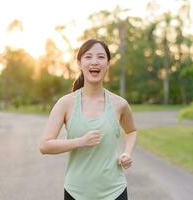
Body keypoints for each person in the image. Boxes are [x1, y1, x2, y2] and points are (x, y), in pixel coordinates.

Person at [39, 39, 137, 200]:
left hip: (115, 192)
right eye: (88, 57)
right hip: (76, 193)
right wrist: (80, 141)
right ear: (79, 63)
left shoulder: (120, 104)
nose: (94, 62)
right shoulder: (66, 103)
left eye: (100, 57)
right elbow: (45, 145)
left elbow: (132, 131)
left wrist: (127, 153)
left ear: (108, 64)